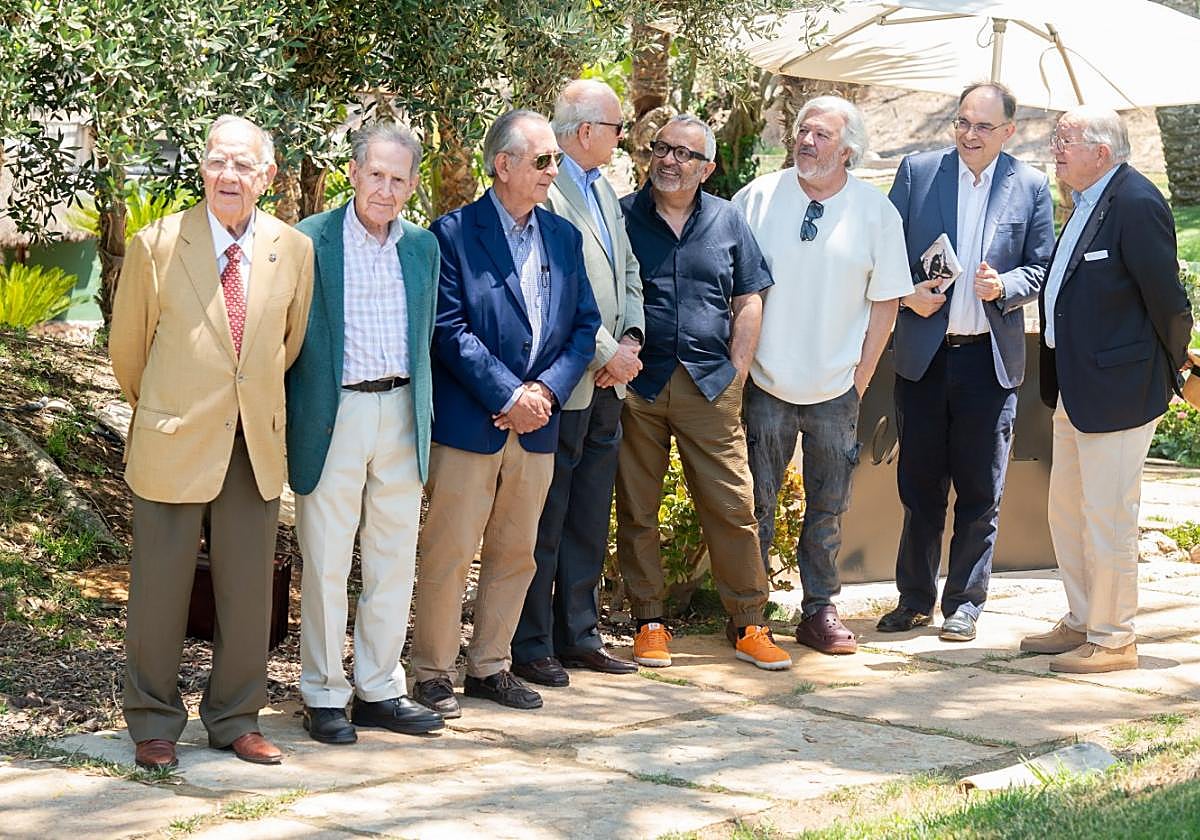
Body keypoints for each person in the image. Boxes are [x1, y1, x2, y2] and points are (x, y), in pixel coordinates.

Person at [110, 115, 313, 770]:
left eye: (244, 164)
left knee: (248, 594)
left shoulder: (293, 249)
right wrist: (170, 410)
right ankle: (153, 723)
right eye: (218, 161)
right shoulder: (156, 245)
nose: (230, 175)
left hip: (253, 444)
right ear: (202, 168)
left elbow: (288, 345)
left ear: (267, 176)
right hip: (173, 438)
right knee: (159, 592)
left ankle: (235, 718)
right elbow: (128, 353)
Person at [409, 110, 601, 715]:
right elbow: (447, 329)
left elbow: (584, 327)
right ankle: (431, 672)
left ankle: (490, 666)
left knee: (517, 552)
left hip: (538, 425)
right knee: (449, 552)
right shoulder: (452, 234)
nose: (553, 171)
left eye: (556, 161)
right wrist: (507, 396)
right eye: (543, 161)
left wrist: (543, 392)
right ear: (503, 165)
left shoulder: (563, 237)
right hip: (472, 425)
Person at [733, 96, 911, 656]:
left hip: (837, 389)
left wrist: (859, 379)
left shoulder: (876, 212)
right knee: (755, 504)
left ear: (848, 150)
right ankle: (748, 615)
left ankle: (818, 610)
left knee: (828, 508)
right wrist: (739, 369)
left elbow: (887, 302)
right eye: (802, 132)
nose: (806, 142)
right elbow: (728, 284)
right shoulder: (757, 197)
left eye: (821, 135)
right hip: (764, 382)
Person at [877, 82, 1054, 642]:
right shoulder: (918, 172)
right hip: (925, 358)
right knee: (919, 488)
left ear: (1008, 131)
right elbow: (883, 253)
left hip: (988, 361)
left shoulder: (1030, 185)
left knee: (981, 490)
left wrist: (1006, 285)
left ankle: (965, 604)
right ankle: (913, 599)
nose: (969, 135)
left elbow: (1043, 267)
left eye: (982, 126)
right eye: (962, 122)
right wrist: (908, 295)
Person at [285, 123, 444, 744]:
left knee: (393, 559)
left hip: (402, 411)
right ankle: (324, 694)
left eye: (398, 178)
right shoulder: (309, 240)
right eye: (375, 174)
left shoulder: (422, 247)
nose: (385, 188)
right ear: (353, 173)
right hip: (336, 413)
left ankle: (380, 688)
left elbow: (425, 336)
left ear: (412, 185)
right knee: (326, 560)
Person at [1019, 107, 1192, 674]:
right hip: (1075, 386)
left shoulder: (1136, 202)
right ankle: (1083, 618)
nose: (1054, 148)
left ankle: (1114, 638)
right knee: (1067, 511)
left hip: (1120, 388)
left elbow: (1168, 300)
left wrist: (1175, 365)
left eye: (1064, 139)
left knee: (1108, 517)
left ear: (1101, 151)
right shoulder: (1086, 200)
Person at [617, 114, 792, 672]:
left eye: (684, 154)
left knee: (732, 507)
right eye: (662, 148)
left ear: (707, 168)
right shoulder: (621, 217)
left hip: (710, 386)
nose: (669, 160)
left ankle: (749, 623)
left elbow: (749, 297)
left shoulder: (728, 219)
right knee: (637, 509)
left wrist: (737, 372)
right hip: (637, 386)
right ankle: (649, 622)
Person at [510, 80, 643, 688]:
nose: (622, 137)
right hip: (566, 383)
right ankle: (532, 643)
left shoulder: (603, 188)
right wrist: (606, 352)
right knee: (547, 518)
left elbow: (628, 270)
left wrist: (631, 340)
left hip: (611, 383)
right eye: (617, 127)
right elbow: (560, 292)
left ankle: (580, 635)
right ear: (586, 131)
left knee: (589, 515)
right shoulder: (546, 190)